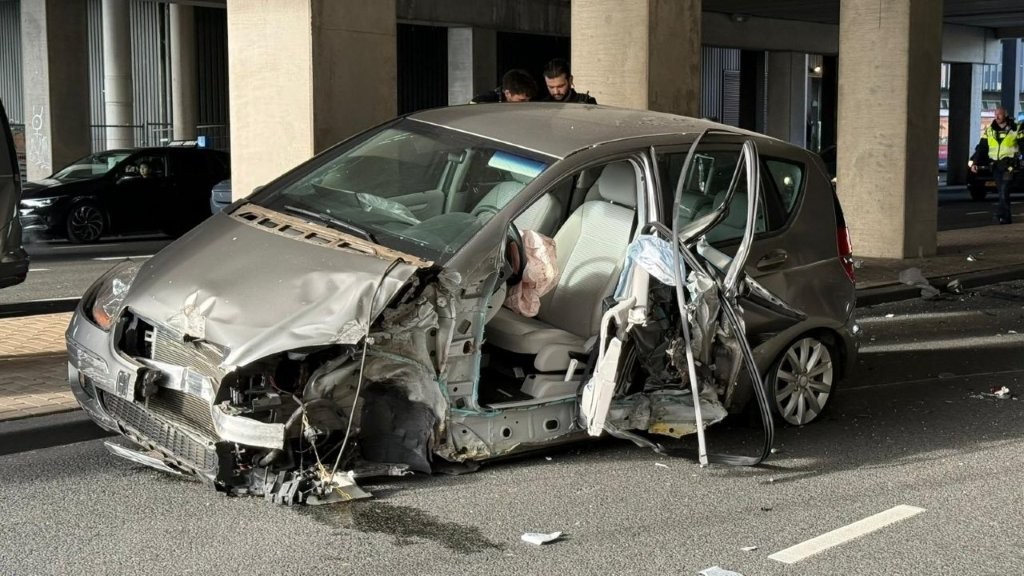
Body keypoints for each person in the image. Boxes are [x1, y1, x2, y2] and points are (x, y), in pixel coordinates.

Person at [974, 106, 1019, 224]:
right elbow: (982, 147)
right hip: (996, 166)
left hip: (1009, 165)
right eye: (995, 114)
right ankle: (1006, 217)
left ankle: (1000, 213)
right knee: (1002, 193)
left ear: (1006, 115)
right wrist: (975, 162)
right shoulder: (990, 130)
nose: (997, 117)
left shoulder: (1015, 129)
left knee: (1004, 189)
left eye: (999, 114)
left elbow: (1022, 144)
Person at [471, 69, 537, 103]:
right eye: (522, 100)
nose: (527, 104)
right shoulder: (483, 102)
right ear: (507, 93)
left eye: (528, 100)